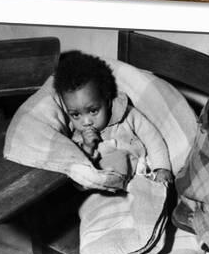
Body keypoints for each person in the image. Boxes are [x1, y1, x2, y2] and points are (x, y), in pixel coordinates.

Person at [53, 50, 173, 184]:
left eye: (93, 111)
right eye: (76, 115)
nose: (86, 122)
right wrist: (88, 147)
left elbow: (152, 139)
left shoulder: (127, 115)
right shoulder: (77, 135)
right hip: (101, 185)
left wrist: (161, 167)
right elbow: (79, 166)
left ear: (107, 101)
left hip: (137, 176)